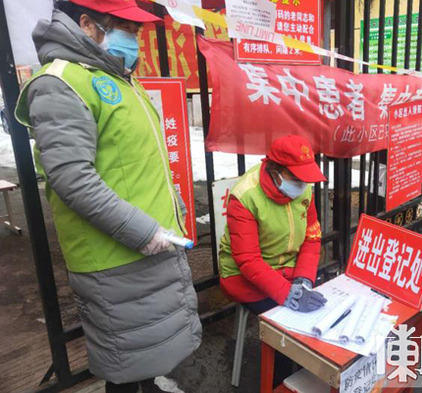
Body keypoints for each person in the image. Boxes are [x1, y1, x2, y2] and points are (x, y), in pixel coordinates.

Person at [15, 1, 202, 392]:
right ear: (86, 23)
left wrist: (174, 211)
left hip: (148, 242)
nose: (134, 40)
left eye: (136, 32)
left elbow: (137, 164)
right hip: (117, 254)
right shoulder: (60, 82)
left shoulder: (116, 77)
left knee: (145, 352)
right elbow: (72, 179)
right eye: (124, 28)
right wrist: (143, 231)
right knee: (126, 361)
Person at [218, 135, 327, 384]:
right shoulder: (245, 196)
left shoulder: (304, 187)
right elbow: (247, 260)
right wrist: (287, 294)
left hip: (288, 270)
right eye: (296, 177)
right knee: (286, 326)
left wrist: (303, 280)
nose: (302, 184)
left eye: (305, 177)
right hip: (243, 276)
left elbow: (312, 236)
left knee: (318, 314)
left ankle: (310, 378)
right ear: (275, 171)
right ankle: (281, 384)